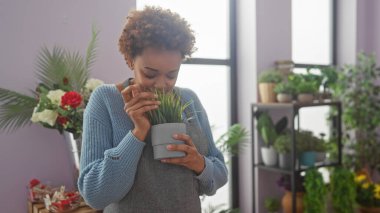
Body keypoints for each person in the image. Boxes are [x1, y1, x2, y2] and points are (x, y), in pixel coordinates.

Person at [78, 6, 228, 213]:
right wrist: (138, 133)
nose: (161, 84)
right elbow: (95, 195)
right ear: (130, 60)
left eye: (171, 75)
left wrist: (199, 163)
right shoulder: (106, 100)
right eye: (150, 74)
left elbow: (219, 173)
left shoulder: (188, 99)